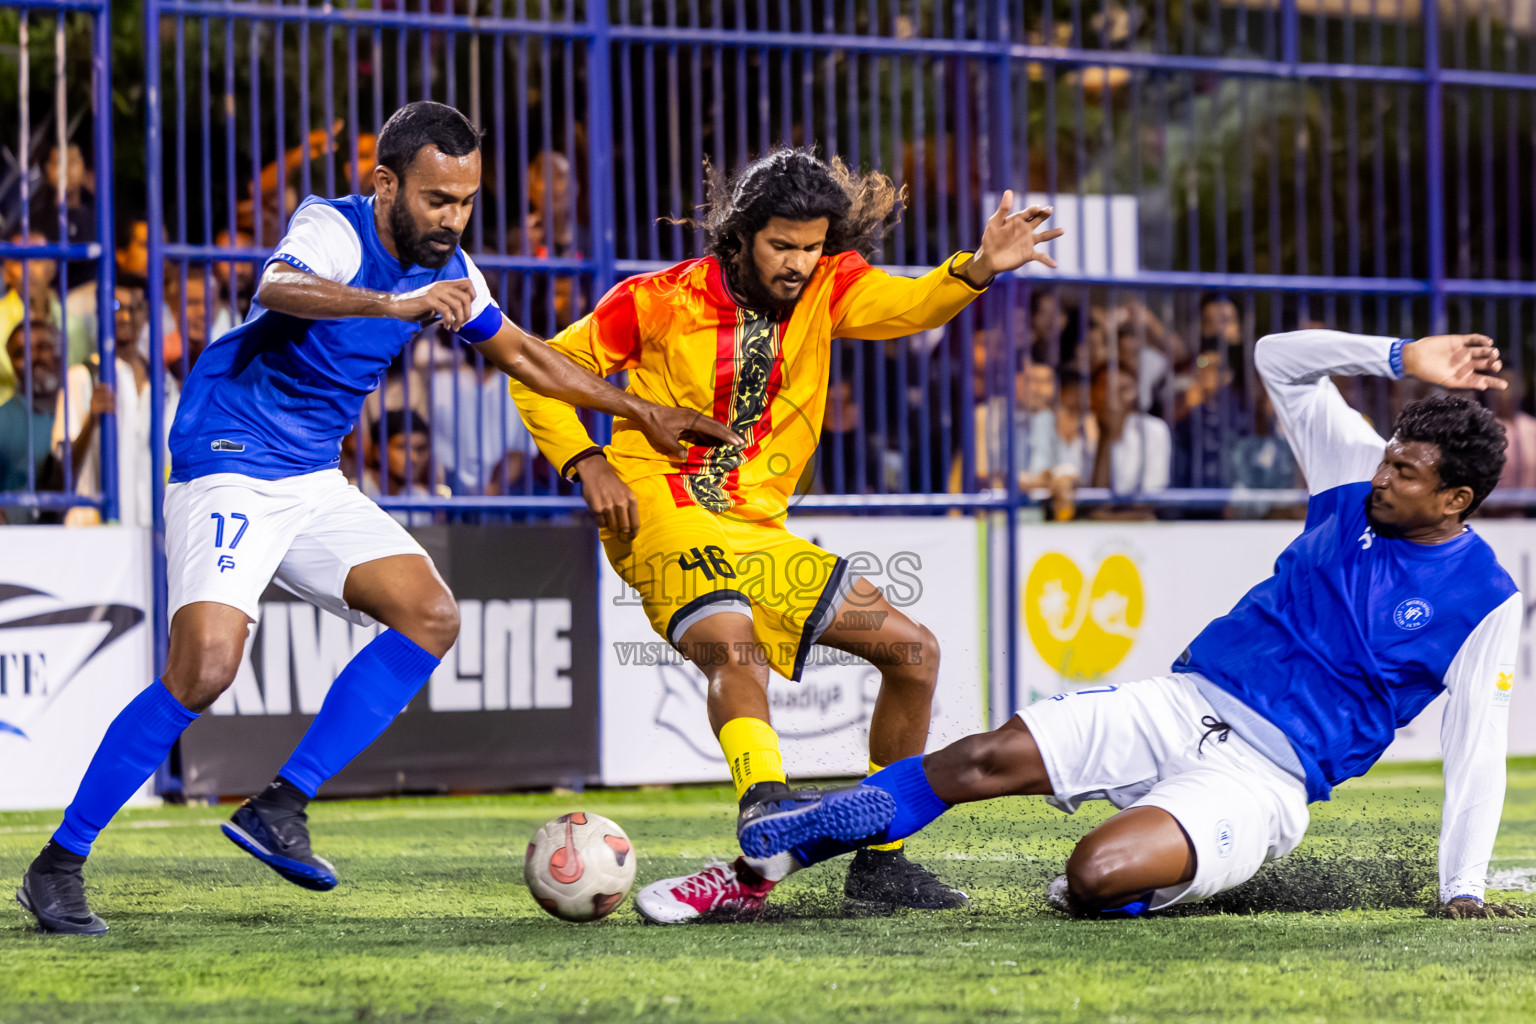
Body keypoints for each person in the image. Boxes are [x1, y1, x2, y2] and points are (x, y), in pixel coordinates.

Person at [15, 101, 738, 936]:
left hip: (311, 478)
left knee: (430, 615)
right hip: (229, 457)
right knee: (207, 668)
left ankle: (278, 806)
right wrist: (394, 306)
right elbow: (274, 286)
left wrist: (640, 410)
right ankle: (57, 866)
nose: (453, 218)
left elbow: (530, 357)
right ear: (387, 183)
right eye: (437, 199)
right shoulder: (332, 226)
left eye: (466, 200)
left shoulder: (455, 270)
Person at [742, 330, 1525, 922]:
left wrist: (1462, 888)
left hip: (1263, 782)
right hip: (1182, 702)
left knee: (1096, 874)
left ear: (1454, 499)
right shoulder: (1354, 476)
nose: (1382, 478)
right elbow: (1277, 356)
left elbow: (1477, 748)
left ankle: (1143, 867)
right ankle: (782, 848)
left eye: (1405, 474)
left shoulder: (1485, 596)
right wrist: (1398, 355)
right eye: (1387, 459)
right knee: (982, 756)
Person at [510, 148, 1063, 922]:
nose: (800, 262)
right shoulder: (655, 300)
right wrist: (585, 460)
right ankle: (765, 804)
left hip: (757, 531)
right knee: (731, 640)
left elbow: (909, 305)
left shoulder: (831, 286)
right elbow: (535, 368)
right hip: (656, 508)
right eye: (782, 246)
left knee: (914, 651)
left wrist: (976, 269)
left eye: (811, 245)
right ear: (739, 237)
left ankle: (881, 864)